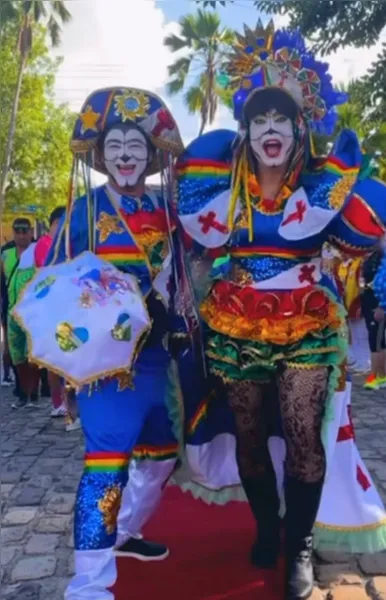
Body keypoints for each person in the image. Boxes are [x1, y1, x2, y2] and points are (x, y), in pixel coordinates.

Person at [176, 21, 386, 599]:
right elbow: (193, 245)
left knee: (300, 430)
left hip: (307, 323)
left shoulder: (324, 184)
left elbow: (360, 239)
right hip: (236, 318)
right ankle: (268, 528)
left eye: (281, 120)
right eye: (259, 120)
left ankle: (297, 545)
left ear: (300, 129)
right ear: (245, 131)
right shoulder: (223, 186)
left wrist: (353, 189)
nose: (270, 130)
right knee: (247, 433)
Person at [38, 87, 186, 599]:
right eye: (116, 144)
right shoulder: (85, 211)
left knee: (163, 457)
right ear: (101, 156)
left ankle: (122, 532)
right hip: (108, 367)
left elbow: (186, 275)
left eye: (136, 145)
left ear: (149, 155)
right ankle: (89, 583)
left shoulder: (168, 210)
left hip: (158, 360)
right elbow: (52, 284)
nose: (126, 154)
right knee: (106, 466)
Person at [1, 218, 40, 409]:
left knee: (32, 355)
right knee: (17, 356)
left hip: (32, 313)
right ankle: (23, 394)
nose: (21, 235)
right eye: (18, 231)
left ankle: (34, 394)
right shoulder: (6, 255)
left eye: (25, 231)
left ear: (31, 232)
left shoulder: (37, 252)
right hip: (11, 312)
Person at [35, 206, 68, 416]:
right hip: (51, 305)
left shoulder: (64, 243)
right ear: (53, 223)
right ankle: (58, 402)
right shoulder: (45, 244)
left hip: (65, 305)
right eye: (61, 222)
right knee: (55, 358)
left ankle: (65, 401)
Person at [361, 243, 386, 389]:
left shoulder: (382, 258)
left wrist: (382, 305)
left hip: (377, 302)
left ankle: (377, 376)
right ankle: (380, 375)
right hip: (369, 299)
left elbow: (383, 283)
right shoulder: (373, 255)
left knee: (376, 340)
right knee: (377, 338)